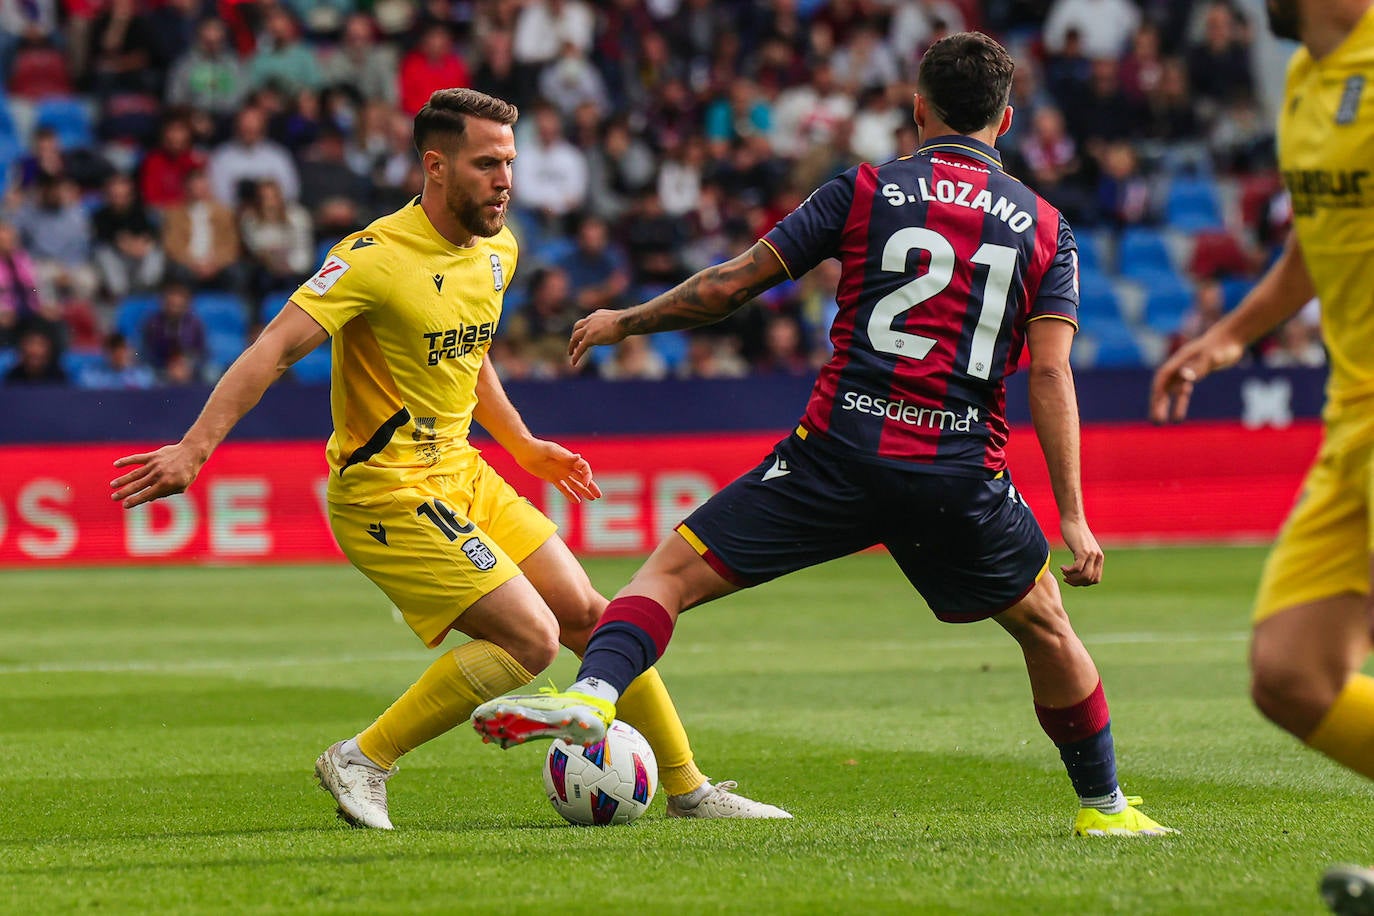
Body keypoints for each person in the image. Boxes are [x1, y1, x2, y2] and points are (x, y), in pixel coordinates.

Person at [472, 32, 1175, 839]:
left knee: (667, 575)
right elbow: (1049, 376)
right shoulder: (1049, 228)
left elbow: (733, 286)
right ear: (1007, 119)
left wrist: (629, 319)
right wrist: (1075, 515)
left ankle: (594, 696)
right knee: (1044, 623)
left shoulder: (866, 190)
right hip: (957, 474)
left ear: (916, 110)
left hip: (838, 453)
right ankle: (1106, 809)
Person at [107, 88, 789, 829]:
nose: (505, 179)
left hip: (461, 471)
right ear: (436, 167)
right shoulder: (372, 258)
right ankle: (362, 758)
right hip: (385, 491)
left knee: (598, 618)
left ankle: (688, 791)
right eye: (487, 164)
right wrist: (195, 448)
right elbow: (273, 349)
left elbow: (471, 352)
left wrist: (524, 444)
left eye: (511, 163)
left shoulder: (499, 249)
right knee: (529, 639)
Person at [1149, 1, 1374, 909]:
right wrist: (1229, 337)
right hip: (1351, 413)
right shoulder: (1302, 77)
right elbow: (1316, 245)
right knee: (1291, 673)